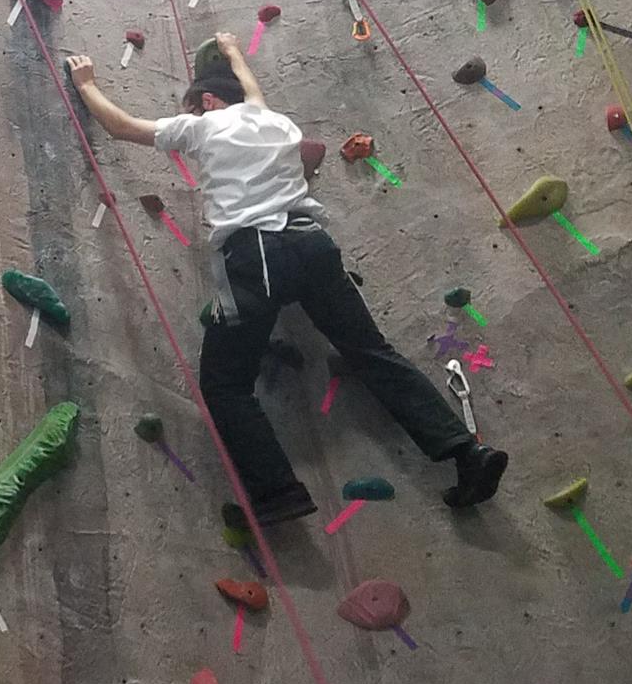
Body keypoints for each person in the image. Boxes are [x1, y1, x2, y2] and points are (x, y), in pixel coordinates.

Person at [66, 31, 506, 523]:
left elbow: (123, 128)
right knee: (372, 352)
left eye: (193, 107)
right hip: (312, 243)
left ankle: (277, 493)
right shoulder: (273, 120)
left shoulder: (205, 126)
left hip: (257, 253)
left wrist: (86, 84)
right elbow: (253, 90)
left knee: (225, 383)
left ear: (208, 101)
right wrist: (233, 50)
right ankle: (467, 452)